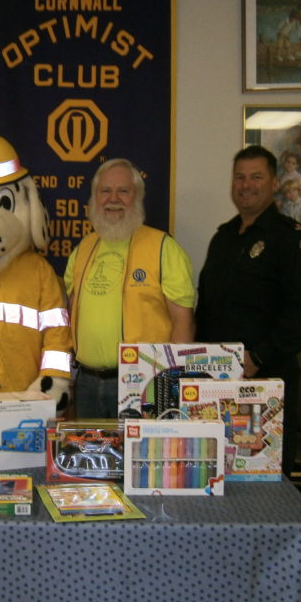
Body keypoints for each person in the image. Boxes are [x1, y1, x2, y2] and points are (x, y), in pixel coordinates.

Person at [194, 145, 301, 475]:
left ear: (275, 183)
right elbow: (207, 309)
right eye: (239, 177)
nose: (246, 185)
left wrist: (258, 358)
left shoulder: (293, 241)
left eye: (256, 177)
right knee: (215, 475)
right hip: (217, 384)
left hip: (264, 385)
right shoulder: (222, 238)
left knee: (262, 481)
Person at [64, 158, 196, 419]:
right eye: (105, 191)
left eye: (123, 191)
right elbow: (66, 317)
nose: (113, 199)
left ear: (138, 197)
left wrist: (170, 386)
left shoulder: (163, 248)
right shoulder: (83, 249)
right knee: (91, 458)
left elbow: (184, 322)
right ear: (94, 198)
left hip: (143, 386)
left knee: (138, 460)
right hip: (86, 383)